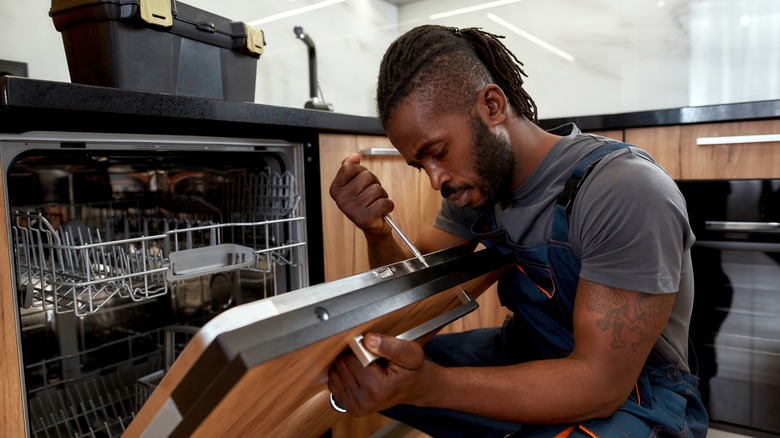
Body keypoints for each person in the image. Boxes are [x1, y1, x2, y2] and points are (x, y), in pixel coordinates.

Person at [327, 24, 708, 437]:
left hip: (639, 394)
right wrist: (376, 232)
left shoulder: (622, 191)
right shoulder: (475, 186)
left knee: (418, 380)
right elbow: (416, 301)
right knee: (372, 369)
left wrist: (430, 387)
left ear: (492, 106)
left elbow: (600, 386)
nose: (436, 180)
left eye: (438, 153)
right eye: (421, 166)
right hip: (531, 350)